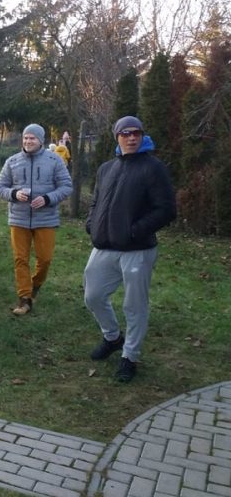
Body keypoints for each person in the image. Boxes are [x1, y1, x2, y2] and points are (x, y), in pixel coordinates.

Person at [83, 116, 176, 382]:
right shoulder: (106, 168)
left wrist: (134, 231)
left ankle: (130, 356)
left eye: (136, 133)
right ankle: (113, 338)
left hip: (138, 250)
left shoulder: (153, 168)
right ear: (117, 137)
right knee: (93, 296)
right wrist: (91, 223)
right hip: (105, 246)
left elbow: (166, 209)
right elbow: (96, 201)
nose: (131, 137)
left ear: (142, 136)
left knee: (134, 306)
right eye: (125, 133)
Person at [0, 123, 72, 315]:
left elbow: (66, 187)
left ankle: (35, 285)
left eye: (32, 138)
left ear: (41, 140)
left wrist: (47, 198)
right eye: (26, 138)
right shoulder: (12, 161)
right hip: (18, 218)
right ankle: (24, 299)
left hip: (46, 219)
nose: (28, 141)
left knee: (45, 259)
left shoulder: (55, 160)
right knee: (20, 259)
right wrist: (14, 194)